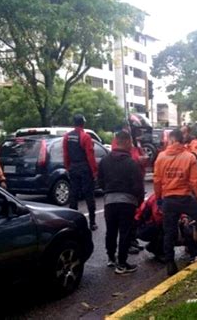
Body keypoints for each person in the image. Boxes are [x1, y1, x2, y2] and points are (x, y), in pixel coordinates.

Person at [153, 129, 197, 276]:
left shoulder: (160, 157)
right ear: (182, 141)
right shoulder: (189, 157)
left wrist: (159, 199)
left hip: (168, 200)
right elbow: (196, 184)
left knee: (169, 232)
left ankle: (170, 264)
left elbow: (157, 181)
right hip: (185, 198)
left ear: (171, 141)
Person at [98, 130, 144, 274]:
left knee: (111, 230)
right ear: (126, 142)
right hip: (127, 201)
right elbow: (138, 185)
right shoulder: (131, 163)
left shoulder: (104, 161)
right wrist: (138, 200)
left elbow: (100, 181)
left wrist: (109, 191)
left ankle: (111, 258)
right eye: (130, 142)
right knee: (125, 232)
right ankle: (122, 263)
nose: (131, 145)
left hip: (109, 201)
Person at [63, 114, 98, 230]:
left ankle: (73, 222)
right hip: (84, 168)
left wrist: (68, 167)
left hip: (73, 167)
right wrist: (94, 171)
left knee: (73, 194)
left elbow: (66, 154)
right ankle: (92, 222)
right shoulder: (85, 137)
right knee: (89, 195)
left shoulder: (67, 137)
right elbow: (90, 156)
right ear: (83, 123)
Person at [135, 194, 164, 262]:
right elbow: (158, 218)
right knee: (167, 227)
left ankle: (153, 246)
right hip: (144, 228)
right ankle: (158, 252)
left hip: (145, 226)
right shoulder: (159, 198)